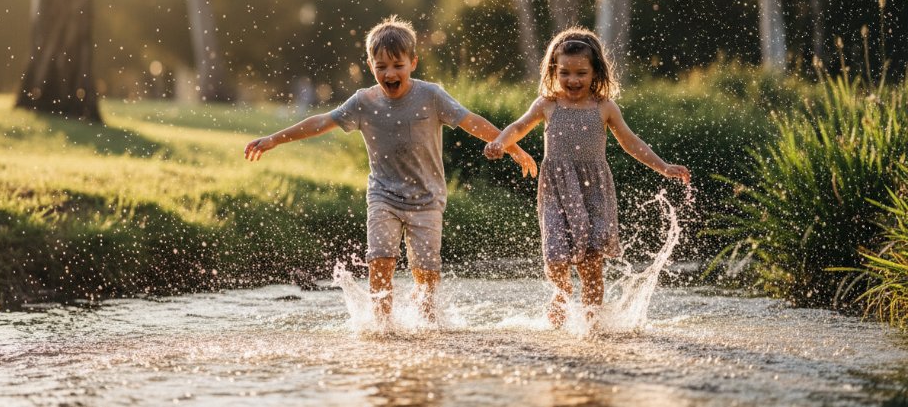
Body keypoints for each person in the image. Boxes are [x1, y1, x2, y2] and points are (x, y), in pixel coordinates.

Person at [244, 16, 538, 323]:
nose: (390, 73)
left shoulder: (431, 95)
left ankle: (428, 326)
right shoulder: (363, 101)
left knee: (426, 272)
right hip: (384, 196)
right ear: (371, 66)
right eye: (381, 66)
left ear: (413, 62)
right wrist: (274, 139)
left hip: (427, 199)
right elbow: (321, 122)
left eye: (397, 65)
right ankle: (381, 327)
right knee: (380, 260)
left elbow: (471, 121)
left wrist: (511, 146)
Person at [483, 27, 690, 327]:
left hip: (594, 191)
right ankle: (561, 291)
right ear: (554, 71)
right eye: (565, 72)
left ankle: (592, 323)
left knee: (591, 261)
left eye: (581, 73)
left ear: (596, 73)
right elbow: (519, 126)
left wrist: (664, 167)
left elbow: (631, 143)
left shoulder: (604, 107)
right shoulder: (547, 104)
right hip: (556, 190)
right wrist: (501, 142)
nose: (573, 80)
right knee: (555, 256)